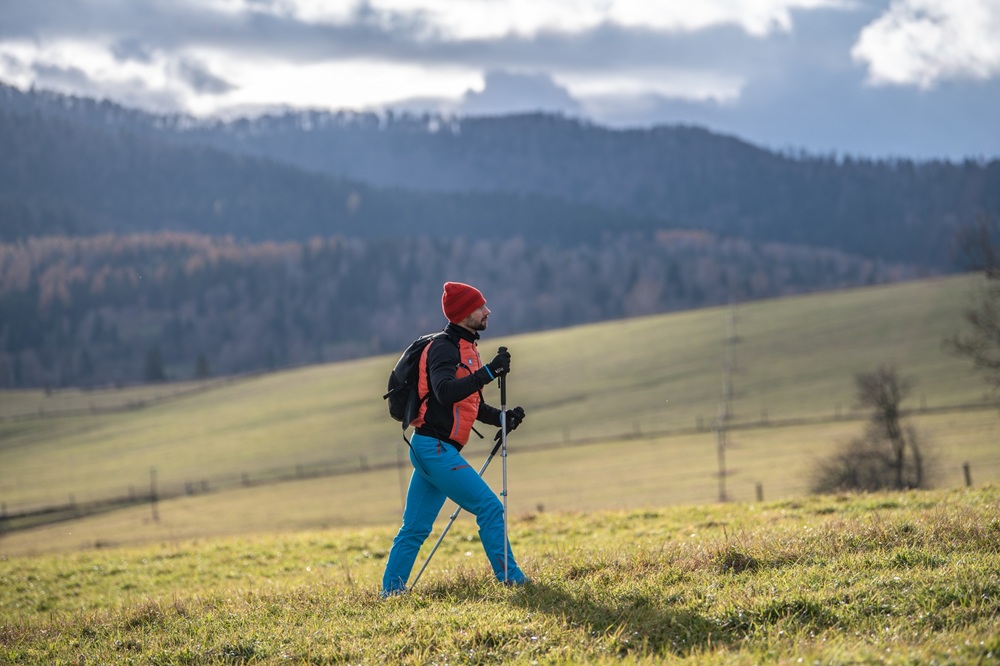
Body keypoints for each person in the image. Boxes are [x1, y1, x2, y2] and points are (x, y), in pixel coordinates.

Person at [381, 281, 529, 596]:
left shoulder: (467, 348)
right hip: (434, 449)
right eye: (480, 307)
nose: (487, 311)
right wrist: (489, 372)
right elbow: (445, 392)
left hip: (430, 448)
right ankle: (512, 580)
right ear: (464, 314)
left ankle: (390, 592)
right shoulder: (444, 348)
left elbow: (467, 403)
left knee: (415, 528)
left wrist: (501, 419)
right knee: (490, 507)